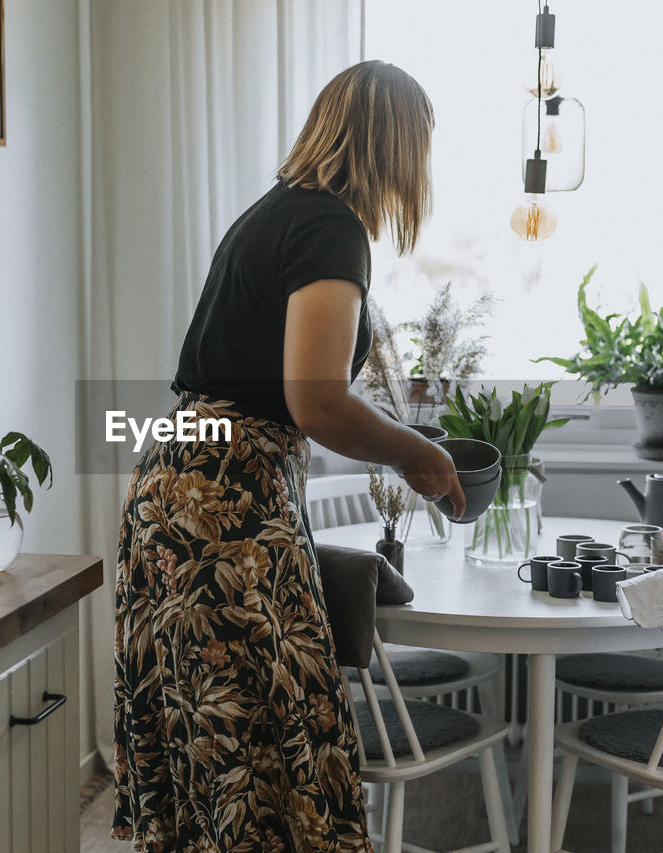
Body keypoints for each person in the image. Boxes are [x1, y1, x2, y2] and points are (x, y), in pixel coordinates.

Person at [112, 59, 464, 853]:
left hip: (181, 482)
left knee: (220, 750)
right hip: (222, 501)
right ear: (395, 146)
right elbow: (317, 401)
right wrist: (415, 454)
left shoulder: (274, 214)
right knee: (266, 741)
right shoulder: (329, 227)